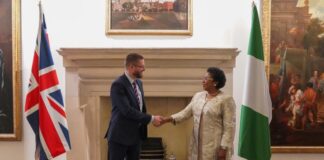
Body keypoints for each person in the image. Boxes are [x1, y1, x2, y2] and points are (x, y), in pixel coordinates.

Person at [160, 67, 236, 160]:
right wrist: (167, 119)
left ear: (215, 82)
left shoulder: (226, 100)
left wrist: (224, 148)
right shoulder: (198, 96)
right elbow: (185, 113)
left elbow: (229, 127)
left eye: (206, 79)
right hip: (197, 145)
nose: (203, 81)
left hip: (215, 147)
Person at [105, 53, 162, 160]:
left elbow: (140, 108)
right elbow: (127, 111)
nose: (144, 69)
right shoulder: (118, 84)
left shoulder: (139, 83)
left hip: (136, 136)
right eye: (141, 67)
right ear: (131, 67)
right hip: (119, 137)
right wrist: (151, 118)